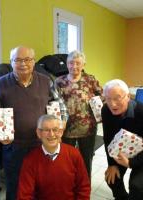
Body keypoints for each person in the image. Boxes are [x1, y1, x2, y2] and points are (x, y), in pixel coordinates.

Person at [0, 46, 68, 200]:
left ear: (34, 62)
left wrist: (61, 124)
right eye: (18, 60)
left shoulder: (46, 81)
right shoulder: (0, 84)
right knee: (15, 187)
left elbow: (59, 104)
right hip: (14, 147)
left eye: (27, 59)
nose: (23, 64)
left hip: (41, 144)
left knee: (41, 185)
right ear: (11, 62)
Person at [17, 114, 90, 200]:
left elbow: (83, 187)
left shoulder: (74, 154)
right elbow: (24, 195)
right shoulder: (30, 160)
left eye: (55, 130)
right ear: (39, 133)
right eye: (46, 130)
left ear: (61, 132)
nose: (51, 134)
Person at [55, 50, 103, 178]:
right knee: (66, 160)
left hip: (87, 128)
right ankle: (68, 186)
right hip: (66, 129)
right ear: (67, 64)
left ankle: (84, 187)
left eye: (78, 63)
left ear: (83, 65)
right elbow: (54, 104)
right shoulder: (59, 81)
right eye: (71, 63)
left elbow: (102, 96)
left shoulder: (90, 80)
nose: (74, 66)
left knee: (86, 159)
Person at [101, 79, 143, 200]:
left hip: (141, 154)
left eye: (117, 98)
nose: (112, 104)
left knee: (137, 186)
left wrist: (131, 163)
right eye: (108, 99)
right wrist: (112, 164)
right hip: (124, 149)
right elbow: (108, 138)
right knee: (112, 179)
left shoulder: (141, 112)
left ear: (128, 96)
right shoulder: (106, 110)